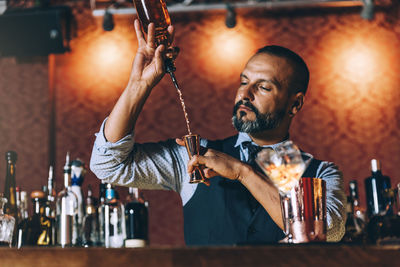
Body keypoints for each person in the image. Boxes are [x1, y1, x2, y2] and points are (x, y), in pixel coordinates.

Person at [90, 20, 346, 245]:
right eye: (244, 82)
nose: (244, 95)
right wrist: (140, 84)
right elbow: (108, 165)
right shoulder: (195, 156)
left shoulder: (320, 173)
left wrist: (243, 173)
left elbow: (328, 231)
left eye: (263, 87)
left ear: (295, 104)